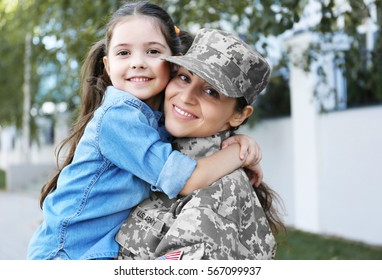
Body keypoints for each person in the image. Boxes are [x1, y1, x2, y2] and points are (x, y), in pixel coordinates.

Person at [27, 2, 263, 260]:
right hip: (68, 254)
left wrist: (235, 138)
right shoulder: (119, 117)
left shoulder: (155, 117)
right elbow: (185, 180)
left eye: (152, 51)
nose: (138, 63)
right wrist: (239, 153)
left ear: (172, 63)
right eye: (124, 53)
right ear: (107, 66)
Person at [115, 28, 285, 260]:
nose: (186, 97)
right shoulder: (147, 142)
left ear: (239, 116)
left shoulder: (220, 189)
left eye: (210, 92)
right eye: (184, 77)